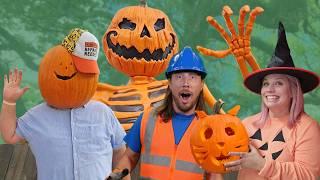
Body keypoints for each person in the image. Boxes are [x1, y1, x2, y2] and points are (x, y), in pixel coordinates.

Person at [0, 29, 126, 180]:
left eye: (87, 74)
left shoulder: (103, 112)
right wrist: (9, 101)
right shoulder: (36, 116)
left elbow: (120, 151)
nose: (81, 79)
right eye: (78, 71)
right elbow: (10, 135)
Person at [108, 46, 223, 179]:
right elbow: (129, 157)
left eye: (192, 77)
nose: (186, 83)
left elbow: (214, 174)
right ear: (169, 83)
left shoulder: (210, 130)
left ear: (202, 84)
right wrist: (115, 175)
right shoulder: (147, 119)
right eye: (179, 77)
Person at [224, 22, 320, 179]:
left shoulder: (307, 128)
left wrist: (261, 165)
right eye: (266, 83)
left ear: (293, 90)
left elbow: (309, 175)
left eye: (278, 83)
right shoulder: (246, 125)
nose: (269, 89)